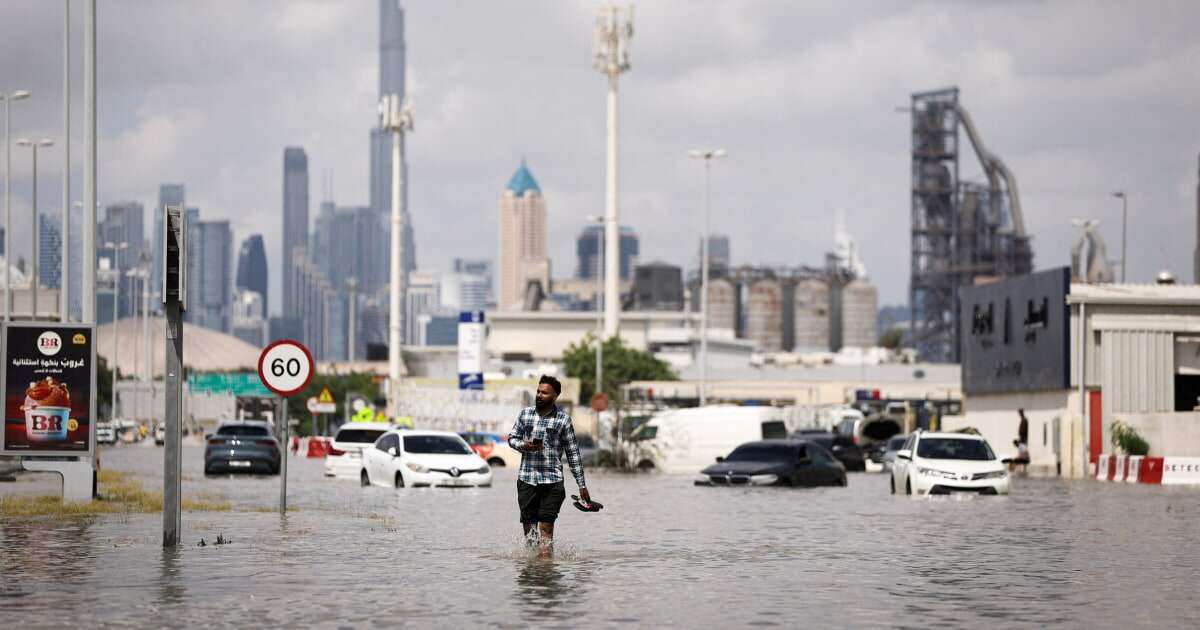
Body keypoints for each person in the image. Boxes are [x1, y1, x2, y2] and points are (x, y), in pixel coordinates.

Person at [507, 375, 589, 554]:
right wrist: (525, 446)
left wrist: (581, 485)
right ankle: (532, 574)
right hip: (527, 480)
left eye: (544, 393)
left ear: (555, 396)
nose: (539, 395)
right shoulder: (525, 414)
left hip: (552, 482)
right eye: (538, 391)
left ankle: (545, 573)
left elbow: (573, 453)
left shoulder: (563, 420)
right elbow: (512, 439)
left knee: (546, 529)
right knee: (530, 532)